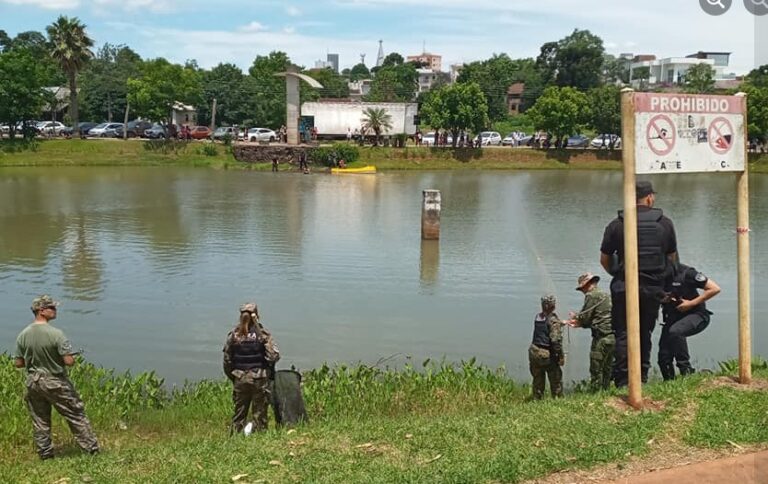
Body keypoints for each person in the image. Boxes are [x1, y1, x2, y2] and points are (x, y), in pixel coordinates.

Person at [600, 180, 677, 388]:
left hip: (624, 286)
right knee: (645, 331)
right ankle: (641, 376)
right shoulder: (665, 223)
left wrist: (618, 274)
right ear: (650, 197)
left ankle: (624, 380)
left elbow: (604, 259)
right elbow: (672, 259)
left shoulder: (617, 224)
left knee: (623, 332)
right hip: (654, 288)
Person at [14, 295, 99, 460]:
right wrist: (63, 357)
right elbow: (69, 361)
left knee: (40, 420)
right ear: (41, 311)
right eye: (52, 308)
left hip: (33, 382)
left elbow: (18, 363)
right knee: (76, 414)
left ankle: (45, 455)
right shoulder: (57, 334)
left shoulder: (22, 335)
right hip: (55, 381)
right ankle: (92, 450)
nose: (55, 310)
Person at [222, 302, 280, 434]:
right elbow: (274, 357)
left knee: (239, 413)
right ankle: (259, 439)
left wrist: (235, 377)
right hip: (259, 378)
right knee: (260, 414)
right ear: (257, 315)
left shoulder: (234, 335)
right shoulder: (263, 335)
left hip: (240, 378)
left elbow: (227, 361)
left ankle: (235, 438)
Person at [658, 263, 720, 380]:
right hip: (673, 317)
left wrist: (690, 304)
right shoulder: (654, 275)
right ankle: (669, 383)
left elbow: (714, 289)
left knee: (676, 331)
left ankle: (686, 373)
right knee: (663, 357)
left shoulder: (686, 273)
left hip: (697, 315)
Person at [564, 273, 615, 390]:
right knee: (607, 367)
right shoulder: (605, 294)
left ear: (587, 285)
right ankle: (605, 391)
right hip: (612, 336)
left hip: (601, 338)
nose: (582, 291)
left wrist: (576, 319)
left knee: (596, 368)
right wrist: (579, 319)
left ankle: (596, 393)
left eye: (582, 288)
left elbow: (586, 318)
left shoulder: (591, 296)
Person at [528, 295, 564, 400]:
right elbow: (555, 341)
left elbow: (546, 327)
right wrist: (560, 356)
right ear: (553, 306)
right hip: (546, 354)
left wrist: (561, 323)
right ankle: (557, 399)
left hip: (534, 351)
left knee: (537, 379)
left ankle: (537, 399)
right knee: (556, 378)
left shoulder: (538, 317)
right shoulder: (553, 321)